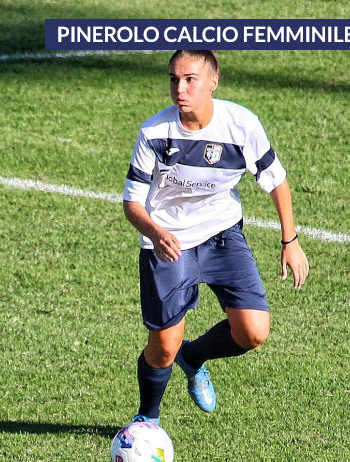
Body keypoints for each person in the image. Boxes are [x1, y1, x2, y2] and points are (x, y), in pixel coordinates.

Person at [122, 50, 309, 425]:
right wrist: (156, 232)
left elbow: (277, 182)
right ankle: (147, 420)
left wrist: (290, 241)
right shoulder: (154, 133)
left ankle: (193, 357)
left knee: (254, 331)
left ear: (213, 82)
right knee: (164, 346)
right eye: (174, 79)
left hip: (222, 235)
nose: (180, 88)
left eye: (190, 79)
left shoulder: (241, 125)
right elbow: (132, 203)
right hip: (168, 243)